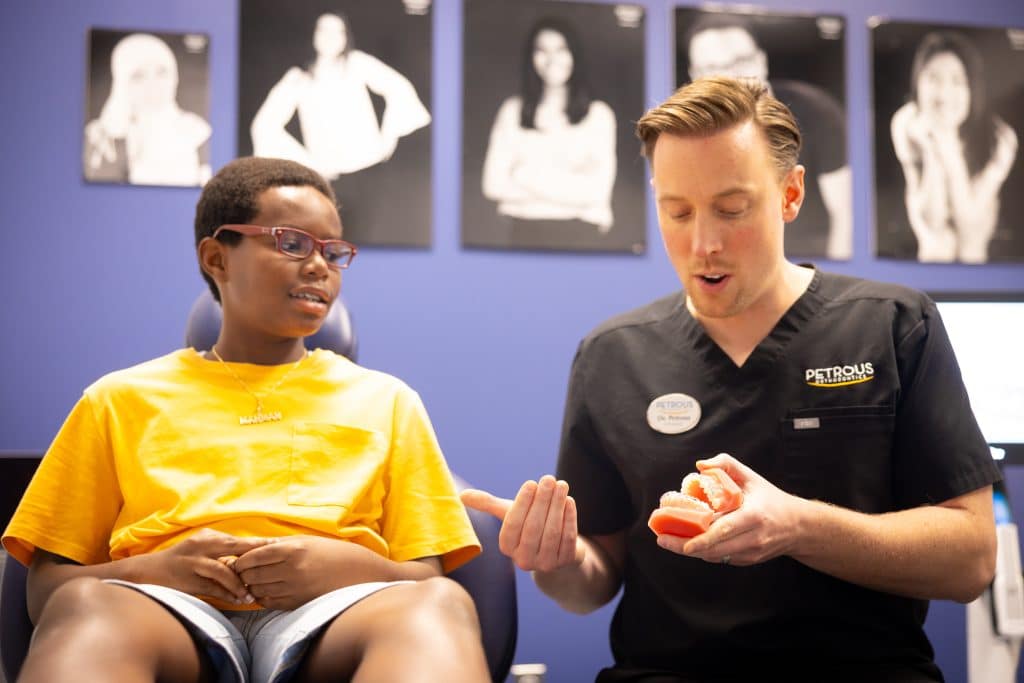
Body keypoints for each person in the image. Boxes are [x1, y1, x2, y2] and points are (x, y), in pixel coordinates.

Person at [462, 77, 1001, 681]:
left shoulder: (895, 327)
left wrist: (799, 526)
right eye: (677, 212)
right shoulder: (612, 355)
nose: (703, 243)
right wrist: (553, 561)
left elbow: (972, 560)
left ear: (791, 194)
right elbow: (591, 582)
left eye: (732, 209)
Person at [2, 157, 488, 682]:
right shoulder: (117, 400)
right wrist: (154, 571)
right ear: (217, 258)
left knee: (439, 603)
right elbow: (48, 589)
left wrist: (343, 568)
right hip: (162, 612)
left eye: (333, 250)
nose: (320, 265)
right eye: (293, 243)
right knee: (87, 608)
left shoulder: (388, 401)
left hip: (340, 615)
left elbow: (425, 572)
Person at [682, 13, 852, 260]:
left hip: (808, 263)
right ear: (695, 77)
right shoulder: (684, 132)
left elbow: (846, 215)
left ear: (761, 61)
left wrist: (829, 293)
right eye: (712, 69)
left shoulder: (818, 113)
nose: (730, 77)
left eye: (740, 61)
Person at [250, 12, 430, 180]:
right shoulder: (298, 78)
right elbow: (264, 126)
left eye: (338, 31)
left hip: (370, 170)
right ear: (313, 35)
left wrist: (388, 139)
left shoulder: (357, 63)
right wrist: (309, 165)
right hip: (328, 178)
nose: (330, 37)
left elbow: (399, 87)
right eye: (324, 30)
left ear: (346, 38)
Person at [889, 30, 1018, 264]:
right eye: (933, 78)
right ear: (918, 82)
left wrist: (948, 145)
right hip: (929, 258)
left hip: (976, 262)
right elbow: (933, 221)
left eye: (957, 81)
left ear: (973, 88)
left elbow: (969, 223)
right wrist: (932, 147)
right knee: (939, 243)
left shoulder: (1001, 138)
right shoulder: (906, 123)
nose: (944, 93)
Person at [481, 16, 617, 235]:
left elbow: (596, 192)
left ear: (574, 54)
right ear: (531, 58)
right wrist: (572, 186)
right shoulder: (512, 111)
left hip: (582, 236)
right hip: (524, 233)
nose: (552, 58)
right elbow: (493, 185)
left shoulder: (599, 116)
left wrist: (523, 174)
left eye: (561, 48)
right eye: (542, 50)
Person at [83, 32, 212, 187]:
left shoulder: (198, 133)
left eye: (161, 72)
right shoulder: (102, 138)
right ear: (121, 83)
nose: (152, 85)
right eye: (138, 76)